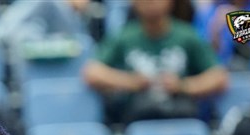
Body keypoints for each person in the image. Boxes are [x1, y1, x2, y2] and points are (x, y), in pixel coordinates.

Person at [82, 0, 228, 124]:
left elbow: (219, 77)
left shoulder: (186, 35)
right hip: (136, 116)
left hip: (181, 115)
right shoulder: (124, 36)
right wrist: (130, 82)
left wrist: (183, 85)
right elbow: (92, 72)